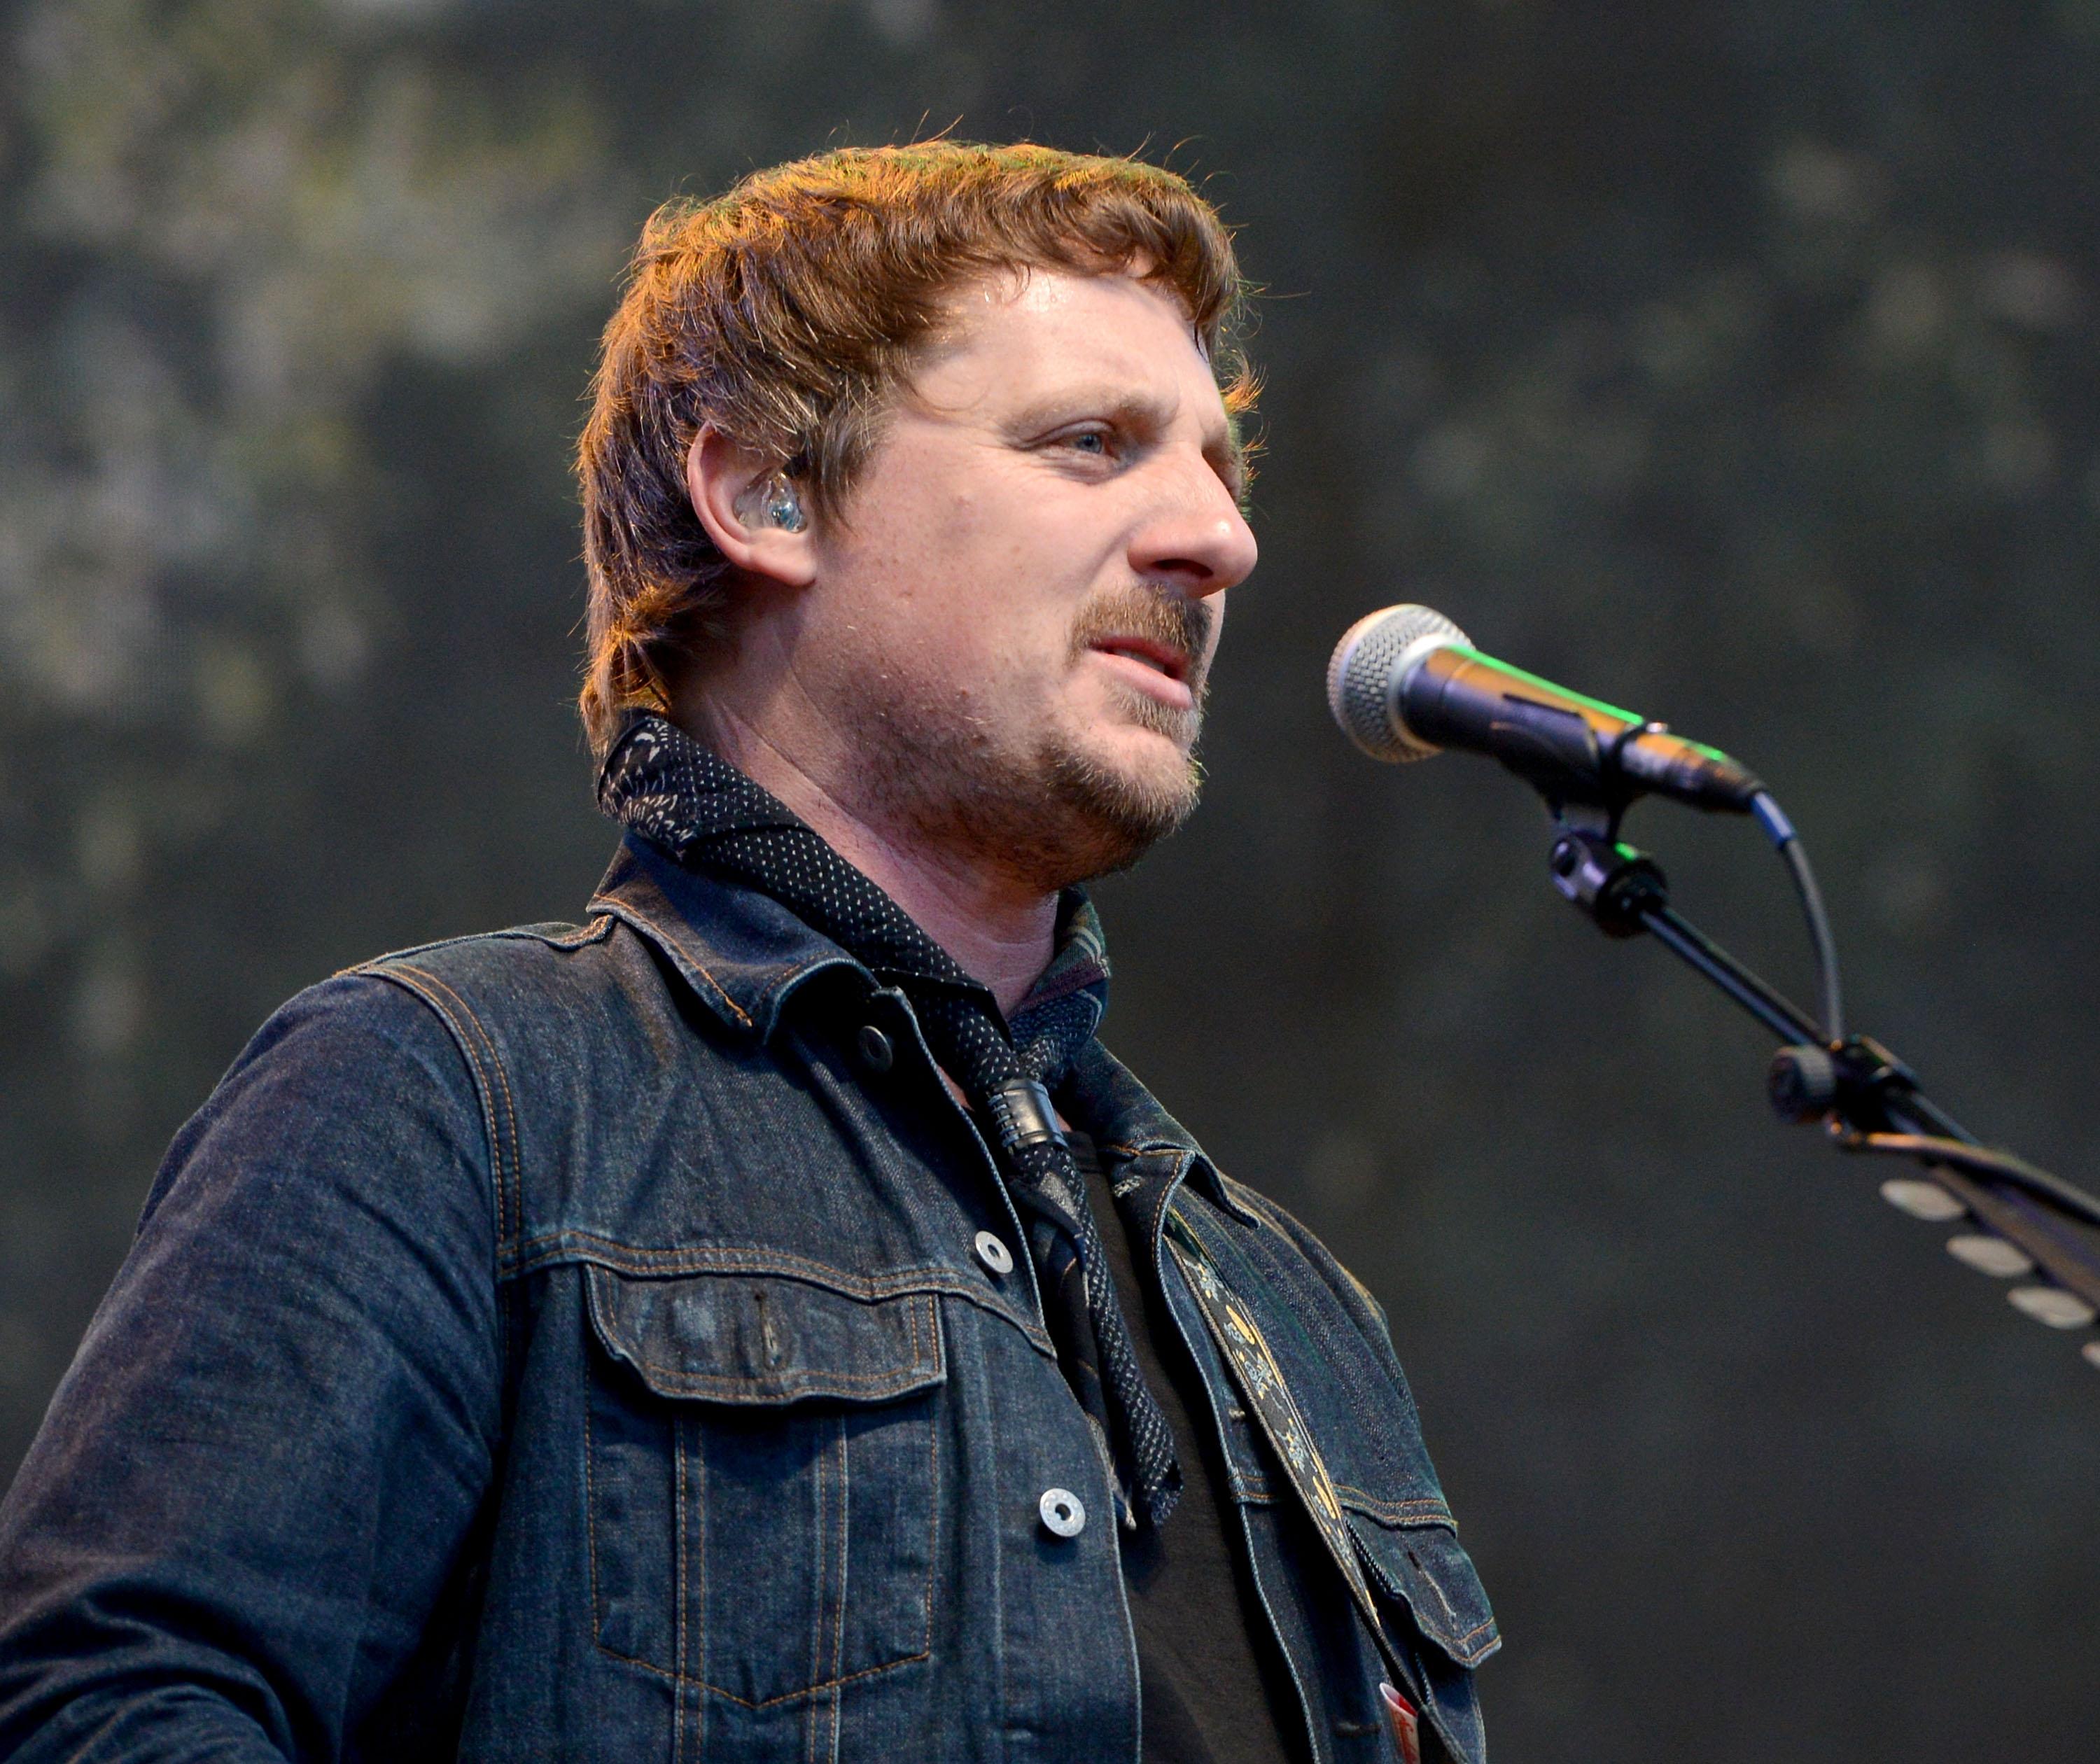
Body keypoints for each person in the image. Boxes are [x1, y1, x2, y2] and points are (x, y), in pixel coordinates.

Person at [0, 141, 1497, 1763]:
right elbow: (103, 1713)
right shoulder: (443, 1099)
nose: (1220, 539)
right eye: (1092, 444)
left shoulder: (1292, 1308)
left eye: (1221, 468)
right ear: (767, 492)